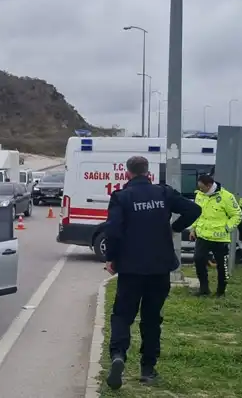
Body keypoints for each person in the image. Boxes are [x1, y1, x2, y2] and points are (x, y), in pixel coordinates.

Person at [103, 156, 201, 389]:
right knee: (151, 319)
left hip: (131, 268)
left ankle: (118, 355)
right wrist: (174, 228)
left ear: (128, 173)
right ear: (148, 172)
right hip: (159, 267)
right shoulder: (163, 193)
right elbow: (194, 209)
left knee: (122, 315)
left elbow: (113, 231)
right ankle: (148, 369)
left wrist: (111, 258)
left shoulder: (121, 197)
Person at [190, 174, 242, 297]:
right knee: (198, 260)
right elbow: (197, 214)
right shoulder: (200, 195)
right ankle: (204, 289)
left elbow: (237, 215)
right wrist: (193, 228)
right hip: (203, 236)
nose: (200, 190)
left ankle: (221, 291)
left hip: (220, 238)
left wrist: (227, 228)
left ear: (209, 185)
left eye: (202, 187)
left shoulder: (226, 196)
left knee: (222, 266)